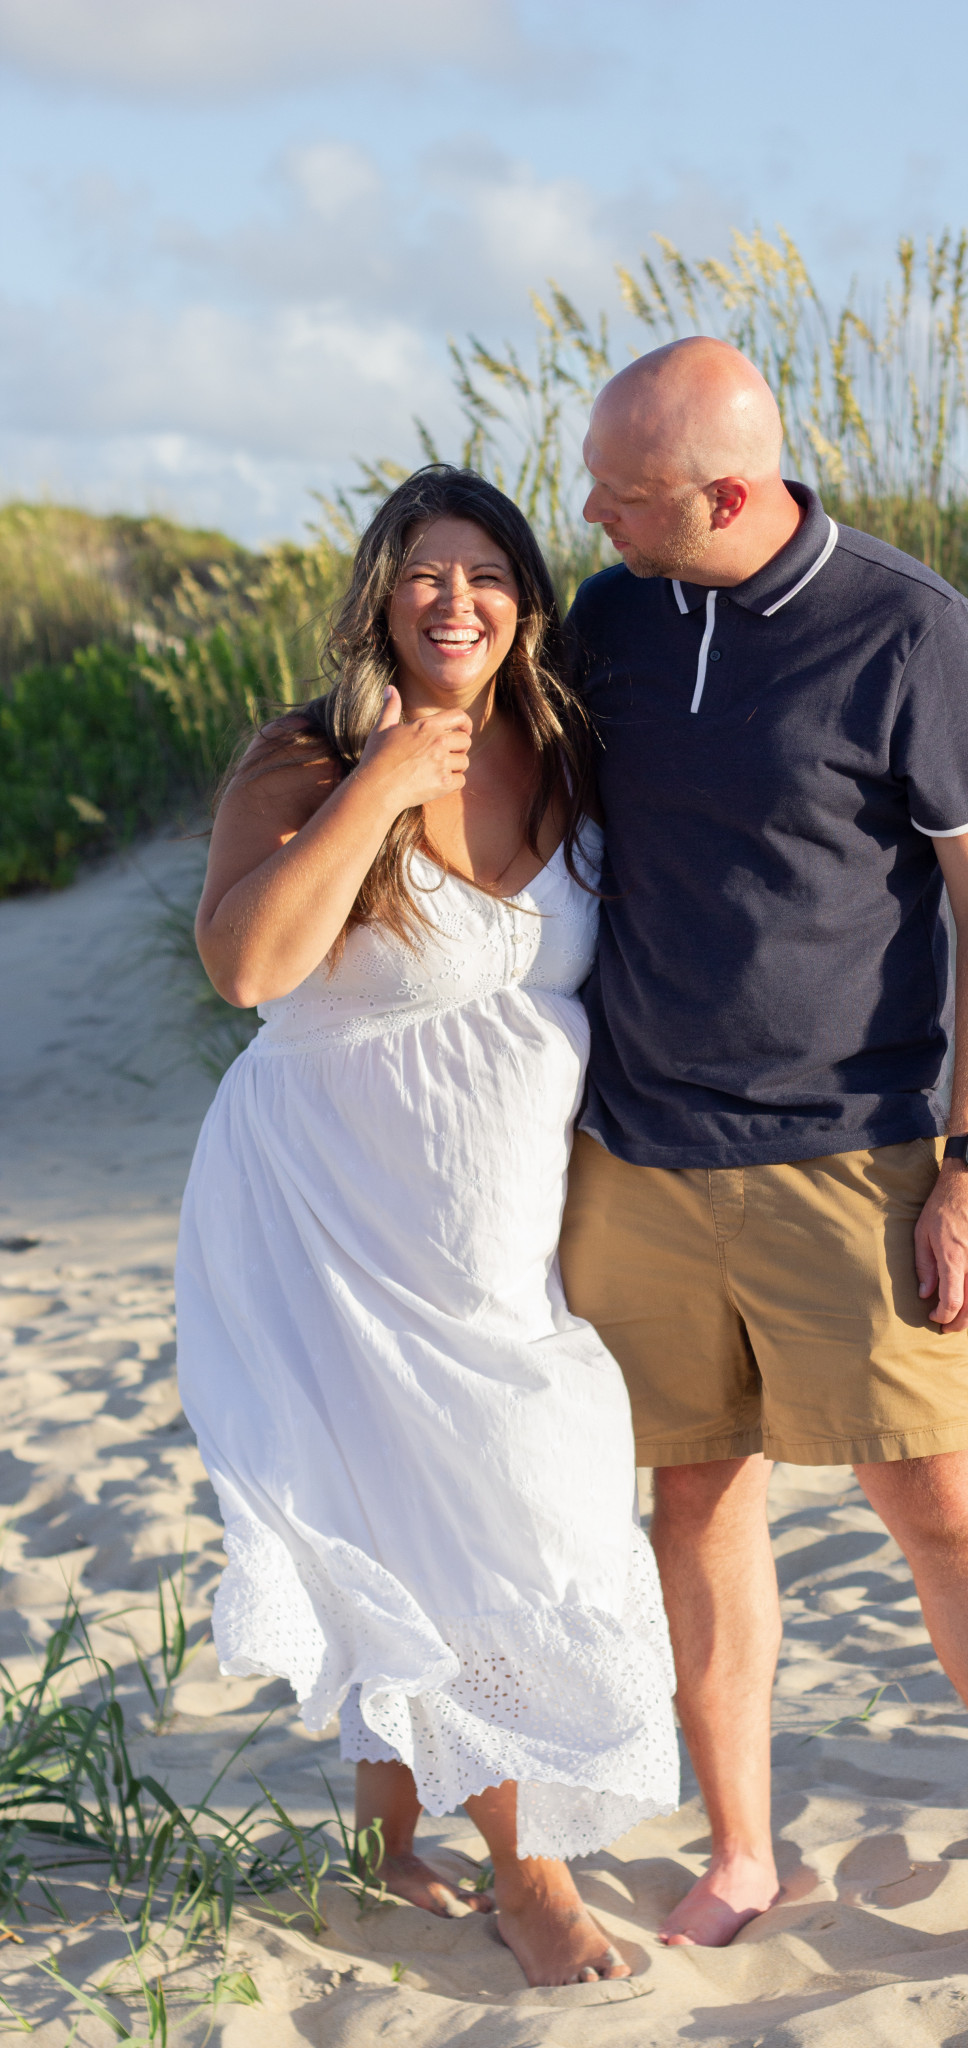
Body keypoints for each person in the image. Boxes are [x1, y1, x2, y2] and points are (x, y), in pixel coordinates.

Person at [557, 338, 968, 2002]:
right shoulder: (612, 615)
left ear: (728, 494)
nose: (591, 516)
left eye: (622, 494)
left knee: (946, 1507)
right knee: (694, 1498)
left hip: (851, 1156)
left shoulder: (911, 631)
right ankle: (742, 1852)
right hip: (637, 1156)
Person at [175, 466, 678, 1989]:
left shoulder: (569, 752)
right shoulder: (310, 753)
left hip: (498, 1241)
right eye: (423, 575)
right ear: (380, 599)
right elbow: (246, 969)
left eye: (486, 574)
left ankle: (390, 1837)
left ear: (527, 597)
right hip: (327, 1213)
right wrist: (381, 785)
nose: (455, 602)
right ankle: (531, 1879)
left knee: (495, 1496)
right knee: (464, 1515)